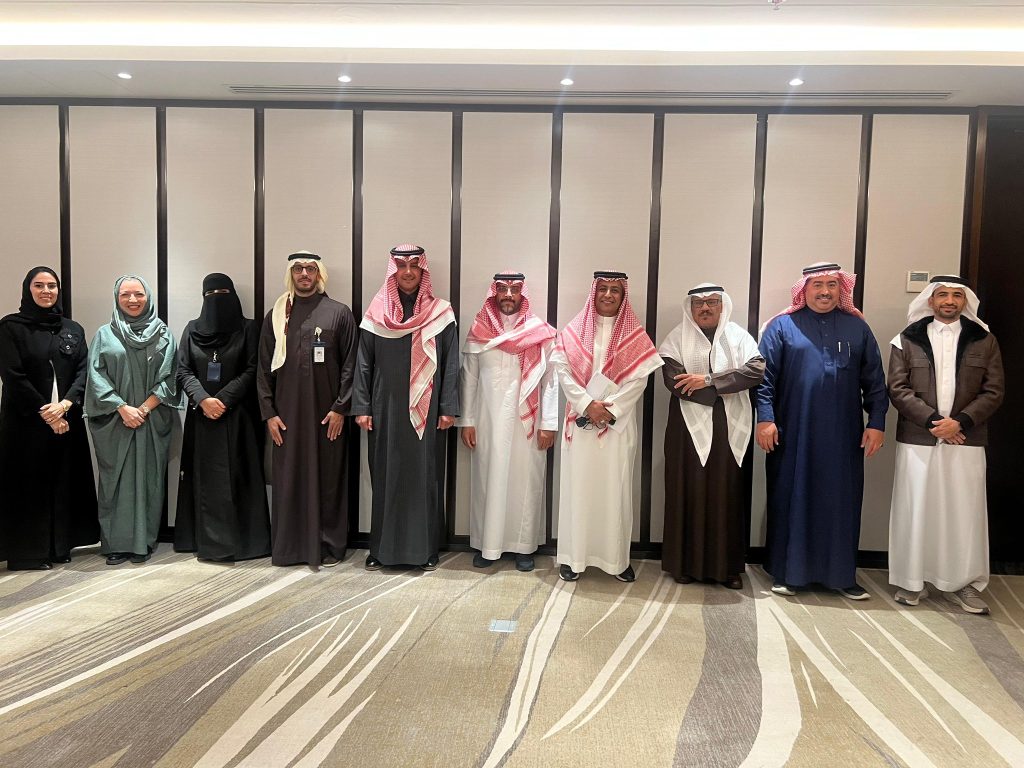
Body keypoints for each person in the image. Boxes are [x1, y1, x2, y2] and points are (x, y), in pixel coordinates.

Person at [755, 263, 887, 599]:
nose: (825, 292)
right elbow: (764, 379)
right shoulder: (782, 326)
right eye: (818, 285)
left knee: (841, 501)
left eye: (832, 285)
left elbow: (874, 380)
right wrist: (765, 419)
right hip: (792, 432)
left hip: (844, 435)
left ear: (842, 289)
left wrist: (876, 422)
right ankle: (788, 573)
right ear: (804, 289)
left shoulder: (857, 328)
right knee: (791, 497)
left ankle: (841, 576)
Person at [887, 276, 1004, 614]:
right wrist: (935, 424)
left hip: (966, 439)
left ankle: (964, 584)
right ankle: (912, 582)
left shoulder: (985, 340)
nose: (950, 301)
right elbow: (898, 388)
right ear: (931, 300)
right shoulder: (906, 339)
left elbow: (994, 390)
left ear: (965, 302)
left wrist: (960, 422)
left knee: (964, 512)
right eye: (943, 295)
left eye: (956, 296)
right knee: (916, 507)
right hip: (919, 439)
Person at [352, 244, 459, 571]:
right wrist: (362, 406)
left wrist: (448, 406)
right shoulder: (376, 313)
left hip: (428, 410)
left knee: (424, 476)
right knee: (385, 475)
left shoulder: (441, 312)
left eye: (414, 265)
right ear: (393, 271)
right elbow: (363, 363)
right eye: (402, 266)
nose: (408, 272)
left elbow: (451, 364)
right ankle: (380, 550)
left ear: (423, 270)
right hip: (384, 408)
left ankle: (426, 550)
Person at [552, 271, 663, 583]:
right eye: (603, 288)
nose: (609, 295)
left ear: (623, 295)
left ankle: (616, 560)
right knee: (578, 491)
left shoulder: (635, 336)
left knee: (616, 491)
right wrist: (587, 404)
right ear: (594, 292)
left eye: (615, 290)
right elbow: (563, 372)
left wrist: (608, 410)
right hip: (580, 425)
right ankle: (573, 559)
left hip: (617, 428)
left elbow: (639, 381)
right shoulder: (573, 331)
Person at [659, 283, 764, 589]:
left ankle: (727, 568)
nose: (705, 308)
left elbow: (756, 371)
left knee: (726, 492)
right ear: (690, 308)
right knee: (686, 490)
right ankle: (684, 565)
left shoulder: (738, 337)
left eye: (712, 302)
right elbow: (676, 382)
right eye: (699, 303)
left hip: (729, 425)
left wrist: (708, 380)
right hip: (686, 428)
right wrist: (724, 388)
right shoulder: (676, 338)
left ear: (722, 306)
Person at [257, 252, 358, 568]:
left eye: (310, 269)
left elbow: (351, 365)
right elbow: (263, 368)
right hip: (286, 417)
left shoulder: (339, 313)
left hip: (328, 417)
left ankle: (328, 547)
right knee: (289, 479)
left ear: (319, 274)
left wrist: (341, 408)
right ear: (291, 274)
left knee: (328, 480)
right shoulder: (276, 315)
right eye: (298, 269)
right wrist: (269, 413)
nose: (304, 274)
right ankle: (290, 547)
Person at [458, 271, 558, 572]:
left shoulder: (539, 332)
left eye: (514, 289)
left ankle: (524, 547)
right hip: (487, 420)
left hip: (528, 424)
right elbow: (469, 379)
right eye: (502, 289)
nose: (508, 295)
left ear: (522, 294)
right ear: (494, 293)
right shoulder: (479, 330)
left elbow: (551, 381)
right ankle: (488, 546)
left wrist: (548, 423)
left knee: (525, 482)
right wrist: (467, 420)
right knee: (488, 480)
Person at [0, 267, 98, 570]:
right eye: (39, 285)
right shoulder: (10, 327)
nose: (46, 291)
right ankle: (27, 553)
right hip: (26, 420)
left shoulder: (72, 328)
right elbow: (12, 375)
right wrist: (47, 412)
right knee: (29, 484)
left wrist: (65, 405)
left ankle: (59, 546)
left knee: (63, 480)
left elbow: (83, 370)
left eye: (52, 285)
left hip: (66, 417)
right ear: (28, 289)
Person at [85, 275, 182, 565]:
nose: (132, 300)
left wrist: (144, 409)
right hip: (115, 421)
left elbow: (171, 377)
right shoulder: (104, 334)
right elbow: (95, 376)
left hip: (151, 420)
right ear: (116, 298)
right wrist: (122, 408)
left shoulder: (163, 334)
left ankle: (143, 543)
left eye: (138, 294)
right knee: (115, 482)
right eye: (125, 294)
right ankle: (116, 544)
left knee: (149, 480)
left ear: (148, 297)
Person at [175, 273, 270, 562]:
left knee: (240, 478)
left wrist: (224, 399)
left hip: (239, 418)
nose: (217, 300)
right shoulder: (191, 330)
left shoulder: (249, 329)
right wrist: (204, 399)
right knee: (204, 481)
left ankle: (245, 544)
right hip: (202, 418)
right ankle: (205, 542)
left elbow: (254, 368)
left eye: (224, 293)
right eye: (211, 294)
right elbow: (183, 370)